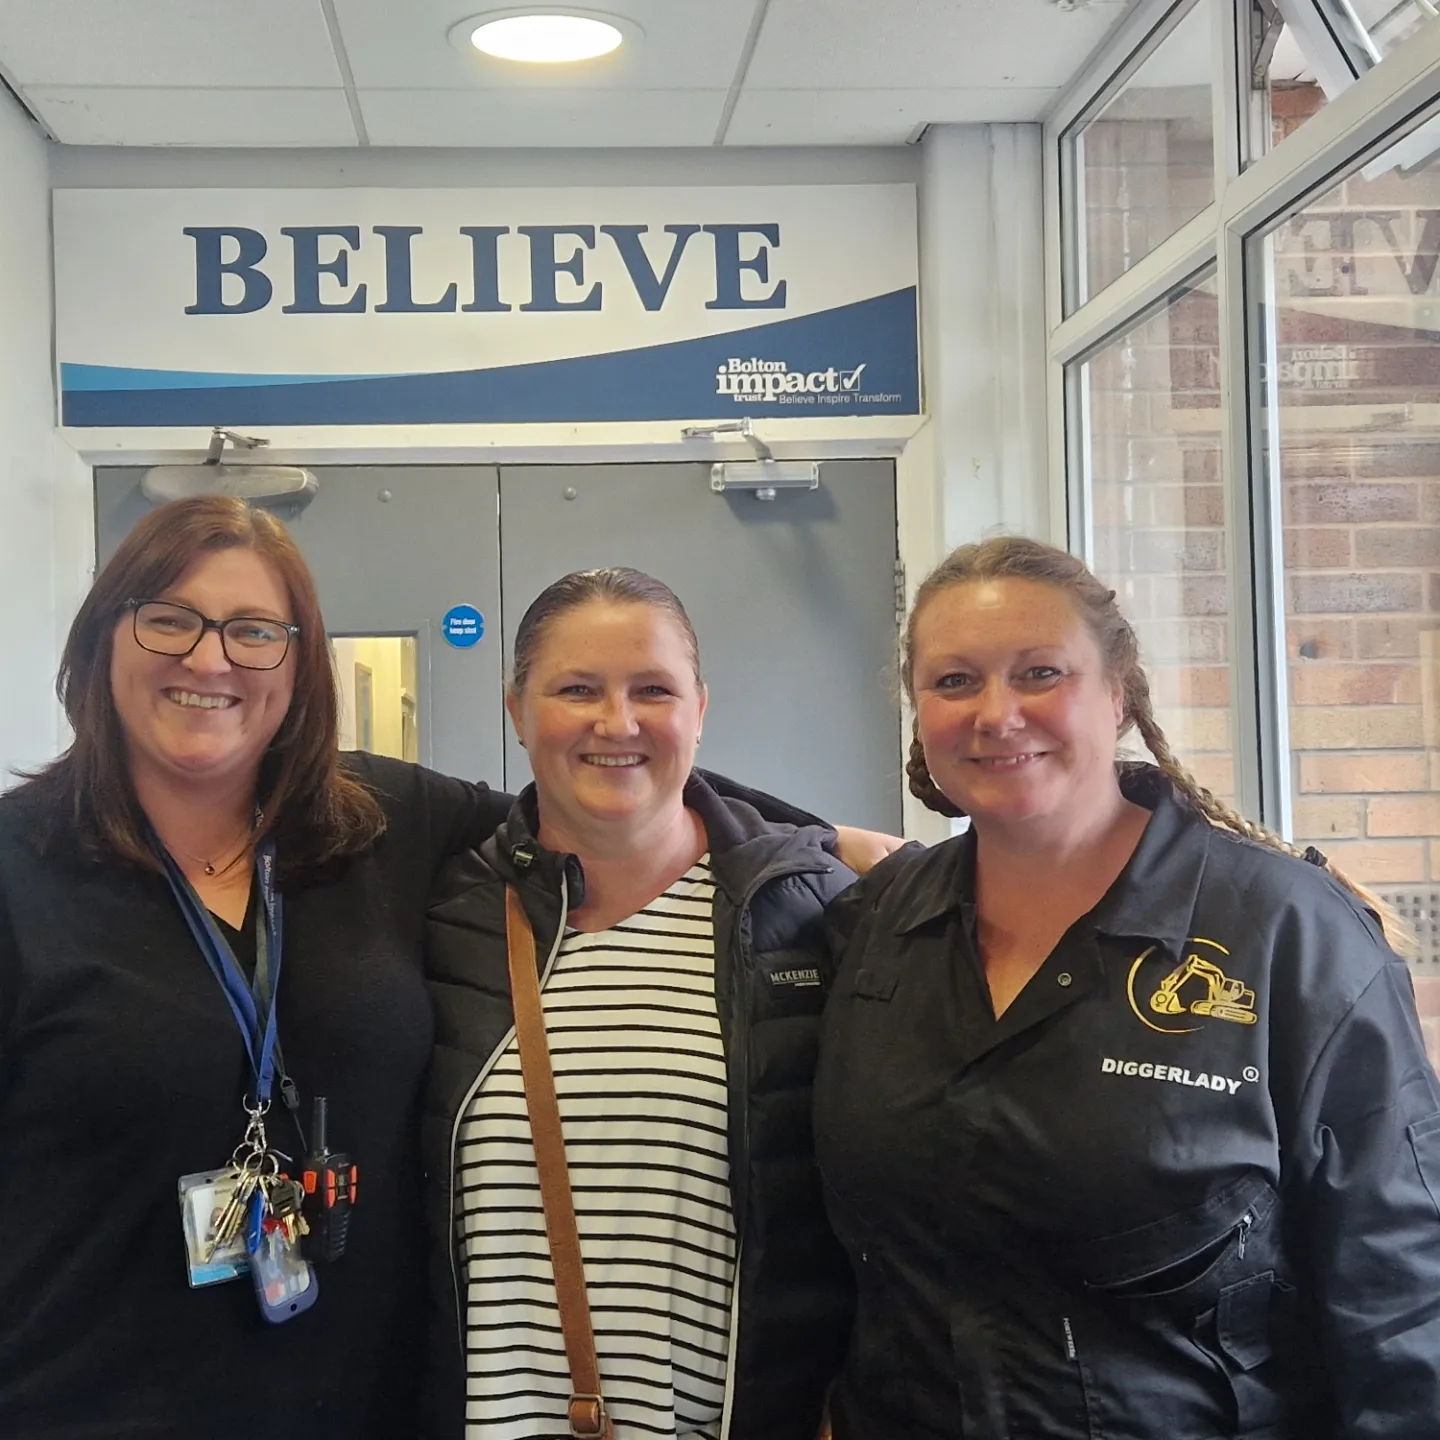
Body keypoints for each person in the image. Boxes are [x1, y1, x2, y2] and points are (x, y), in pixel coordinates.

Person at [0, 496, 892, 1439]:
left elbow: (597, 786)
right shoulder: (20, 870)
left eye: (254, 631)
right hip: (85, 1402)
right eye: (169, 619)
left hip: (368, 1410)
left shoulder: (372, 818)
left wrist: (813, 840)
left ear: (298, 664)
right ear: (101, 640)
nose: (210, 659)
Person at [813, 535, 1440, 1440]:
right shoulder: (875, 926)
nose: (997, 713)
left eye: (1040, 673)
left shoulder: (1285, 934)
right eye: (955, 682)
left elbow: (1400, 1293)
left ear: (1118, 694)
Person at [421, 568, 856, 1440]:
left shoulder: (804, 915)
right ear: (517, 711)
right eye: (577, 690)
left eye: (653, 690)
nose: (617, 723)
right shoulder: (441, 915)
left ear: (700, 708)